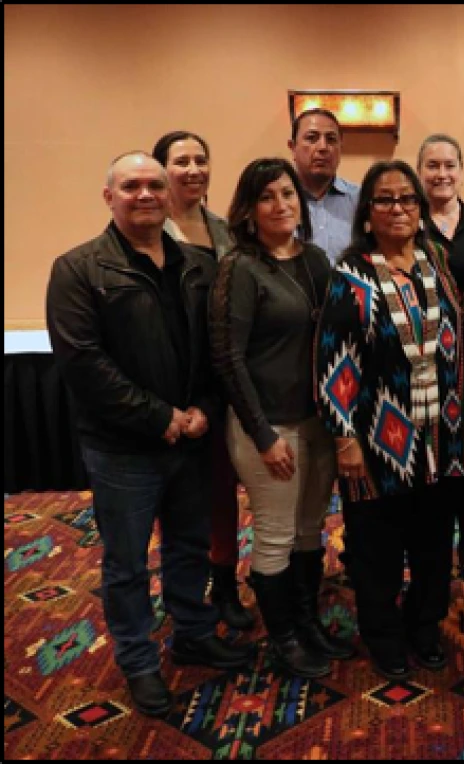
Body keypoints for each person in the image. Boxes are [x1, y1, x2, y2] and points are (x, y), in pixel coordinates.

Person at [46, 152, 251, 718]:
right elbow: (84, 364)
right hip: (123, 449)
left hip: (193, 438)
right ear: (108, 197)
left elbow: (215, 352)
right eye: (131, 185)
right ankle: (138, 662)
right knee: (127, 563)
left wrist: (204, 409)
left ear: (168, 196)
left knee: (189, 545)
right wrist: (160, 417)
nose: (145, 194)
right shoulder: (79, 268)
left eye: (153, 185)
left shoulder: (195, 264)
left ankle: (192, 632)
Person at [315, 160, 464, 680]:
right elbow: (334, 362)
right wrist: (344, 439)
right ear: (367, 212)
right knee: (377, 549)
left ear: (421, 209)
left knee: (432, 546)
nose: (398, 208)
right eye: (385, 200)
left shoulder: (438, 262)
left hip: (439, 438)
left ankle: (424, 628)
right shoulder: (351, 274)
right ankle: (382, 636)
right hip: (377, 441)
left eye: (407, 199)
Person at [210, 158, 349, 679]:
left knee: (311, 529)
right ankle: (284, 639)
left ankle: (308, 622)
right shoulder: (241, 268)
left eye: (287, 194)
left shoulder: (315, 260)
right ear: (248, 209)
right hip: (268, 427)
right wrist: (264, 435)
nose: (281, 204)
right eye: (267, 196)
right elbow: (228, 358)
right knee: (274, 535)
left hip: (317, 423)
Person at [152, 130, 253, 632]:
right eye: (181, 161)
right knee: (181, 498)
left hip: (226, 380)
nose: (193, 169)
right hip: (176, 382)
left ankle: (226, 585)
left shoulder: (226, 229)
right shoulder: (149, 229)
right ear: (161, 170)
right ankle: (185, 594)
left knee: (221, 490)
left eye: (201, 159)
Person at [416, 133, 464, 587]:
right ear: (419, 171)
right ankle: (432, 542)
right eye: (432, 166)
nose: (441, 174)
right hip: (421, 361)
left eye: (449, 165)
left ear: (461, 170)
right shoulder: (407, 219)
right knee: (430, 457)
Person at [289, 107, 360, 264]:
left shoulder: (360, 200)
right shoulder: (279, 202)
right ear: (293, 147)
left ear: (341, 148)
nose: (323, 147)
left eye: (331, 139)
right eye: (312, 138)